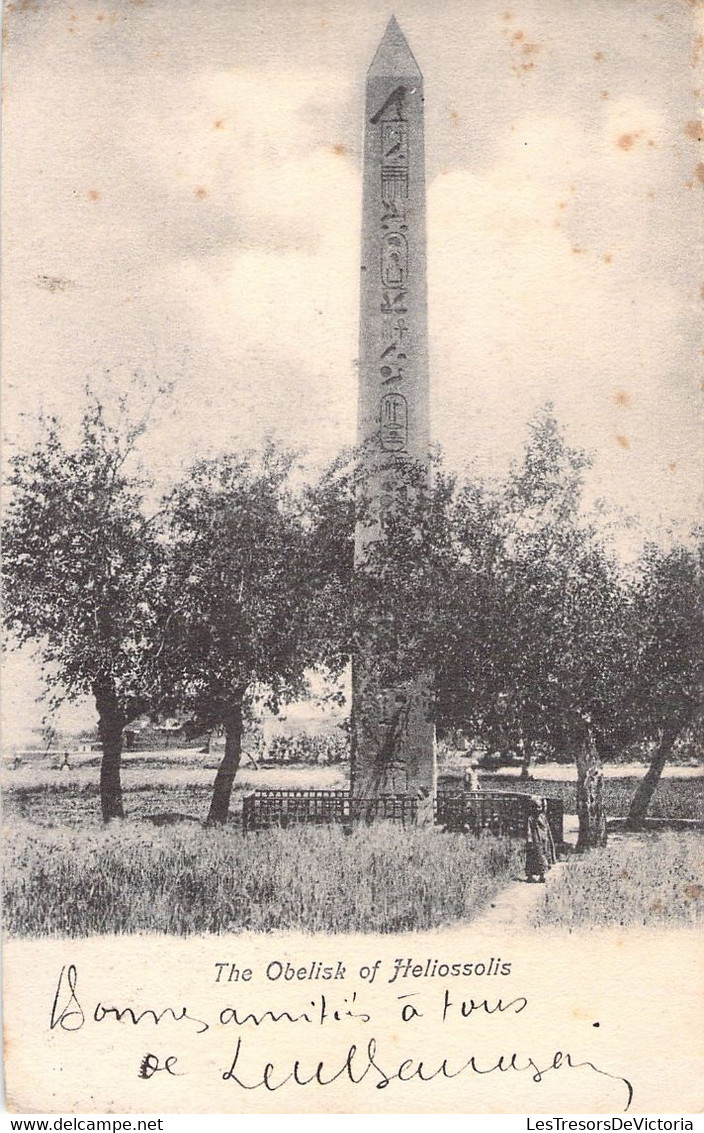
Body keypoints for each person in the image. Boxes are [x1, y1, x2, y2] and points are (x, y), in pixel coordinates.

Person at [525, 795, 556, 883]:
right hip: (534, 841)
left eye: (539, 807)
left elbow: (547, 828)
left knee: (543, 857)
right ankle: (530, 875)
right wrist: (529, 839)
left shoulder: (543, 817)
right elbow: (528, 830)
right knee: (532, 858)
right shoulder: (531, 818)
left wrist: (548, 838)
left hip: (543, 840)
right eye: (535, 807)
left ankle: (542, 875)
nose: (537, 809)